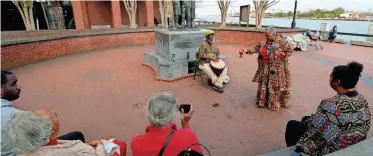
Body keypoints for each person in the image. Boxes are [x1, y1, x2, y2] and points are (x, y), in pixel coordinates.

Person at [285, 62, 371, 156]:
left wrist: (303, 148)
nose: (329, 78)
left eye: (331, 76)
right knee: (307, 119)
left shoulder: (331, 104)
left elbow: (317, 137)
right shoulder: (362, 99)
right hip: (355, 142)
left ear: (337, 82)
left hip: (336, 149)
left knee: (293, 125)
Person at [1, 70, 85, 156]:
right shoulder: (17, 117)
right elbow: (40, 140)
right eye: (13, 84)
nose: (18, 87)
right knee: (77, 135)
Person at [2, 110, 113, 156]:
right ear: (49, 130)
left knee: (77, 134)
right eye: (53, 116)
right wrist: (99, 145)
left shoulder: (24, 150)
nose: (56, 117)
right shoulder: (81, 150)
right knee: (119, 145)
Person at [131, 93, 203, 156]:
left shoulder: (136, 143)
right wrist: (185, 123)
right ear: (171, 116)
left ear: (149, 115)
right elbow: (197, 152)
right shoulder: (188, 136)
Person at [239, 26, 292, 111]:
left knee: (274, 86)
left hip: (276, 69)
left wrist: (279, 54)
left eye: (268, 36)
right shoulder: (265, 41)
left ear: (273, 34)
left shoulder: (282, 42)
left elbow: (289, 52)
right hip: (264, 67)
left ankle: (273, 104)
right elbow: (256, 48)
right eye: (266, 35)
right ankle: (263, 101)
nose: (266, 37)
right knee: (264, 84)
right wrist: (246, 50)